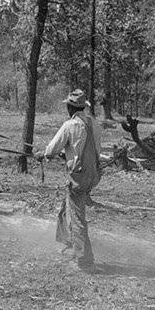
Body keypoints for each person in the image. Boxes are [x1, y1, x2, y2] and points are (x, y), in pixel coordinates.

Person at [36, 89, 102, 271]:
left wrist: (43, 154)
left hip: (79, 177)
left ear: (69, 107)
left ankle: (85, 260)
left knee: (78, 215)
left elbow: (51, 151)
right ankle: (69, 244)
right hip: (93, 175)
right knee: (68, 207)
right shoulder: (94, 123)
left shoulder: (70, 125)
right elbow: (92, 149)